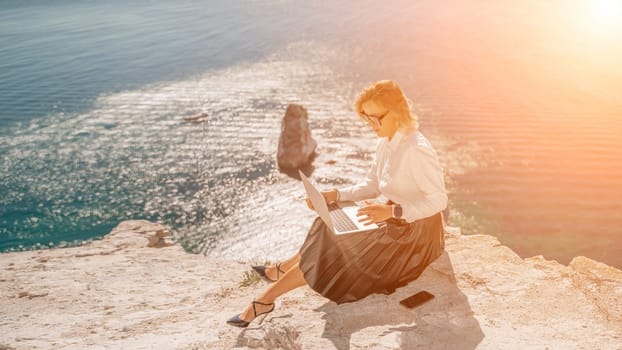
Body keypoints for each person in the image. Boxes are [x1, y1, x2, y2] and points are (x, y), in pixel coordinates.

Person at [227, 80, 448, 327]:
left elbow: (439, 200)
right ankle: (279, 275)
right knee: (327, 221)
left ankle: (264, 299)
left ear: (396, 112)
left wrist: (391, 211)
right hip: (393, 218)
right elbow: (372, 185)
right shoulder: (385, 142)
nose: (370, 125)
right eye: (366, 119)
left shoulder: (416, 149)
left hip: (416, 235)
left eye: (375, 118)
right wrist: (336, 195)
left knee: (333, 245)